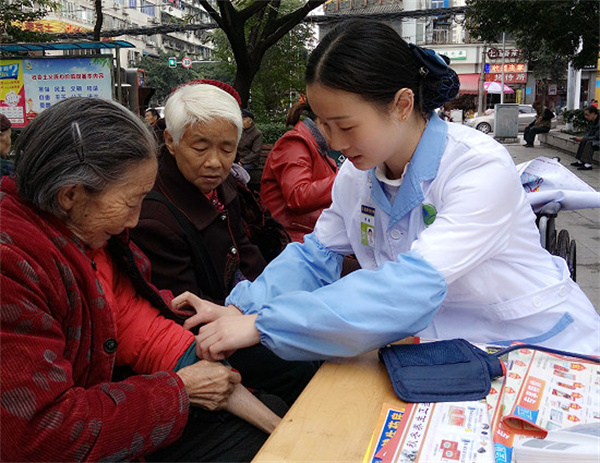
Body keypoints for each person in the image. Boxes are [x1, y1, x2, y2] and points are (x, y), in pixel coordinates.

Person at [184, 20, 600, 362]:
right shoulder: (356, 176)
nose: (333, 142)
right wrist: (243, 307)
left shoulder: (476, 166)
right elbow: (316, 258)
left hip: (533, 342)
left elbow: (412, 285)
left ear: (402, 104)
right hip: (437, 348)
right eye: (323, 125)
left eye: (345, 126)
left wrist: (263, 324)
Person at [0, 97, 286, 462]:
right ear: (70, 194)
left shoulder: (88, 240)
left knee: (269, 408)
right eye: (130, 202)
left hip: (108, 411)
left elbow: (138, 325)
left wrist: (213, 374)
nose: (134, 221)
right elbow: (43, 433)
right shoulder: (13, 266)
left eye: (226, 148)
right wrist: (180, 389)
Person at [130, 80, 319, 405]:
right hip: (203, 336)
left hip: (240, 309)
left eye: (227, 148)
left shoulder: (224, 186)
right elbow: (183, 310)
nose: (215, 162)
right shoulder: (153, 214)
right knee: (298, 366)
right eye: (200, 148)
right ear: (171, 142)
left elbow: (249, 255)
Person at [261, 100, 338, 242]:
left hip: (313, 238)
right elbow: (298, 195)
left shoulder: (318, 148)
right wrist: (346, 178)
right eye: (345, 128)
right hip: (291, 241)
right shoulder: (295, 142)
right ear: (323, 121)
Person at [570, 105, 599, 171]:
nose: (586, 117)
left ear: (593, 114)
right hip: (597, 138)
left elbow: (597, 137)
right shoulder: (594, 121)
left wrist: (584, 138)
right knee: (584, 140)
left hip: (598, 139)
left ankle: (588, 165)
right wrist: (582, 138)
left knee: (590, 143)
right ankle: (581, 161)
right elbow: (590, 133)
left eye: (587, 115)